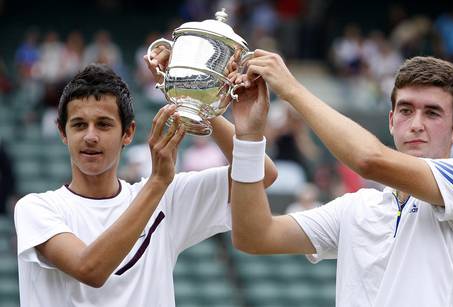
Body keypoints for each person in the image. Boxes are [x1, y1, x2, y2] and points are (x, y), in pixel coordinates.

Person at [229, 50, 453, 306]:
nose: (416, 123)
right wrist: (247, 135)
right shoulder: (356, 206)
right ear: (392, 121)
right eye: (406, 110)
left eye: (432, 113)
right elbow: (254, 235)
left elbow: (368, 160)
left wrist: (291, 90)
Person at [14, 58, 277, 306]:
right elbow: (90, 269)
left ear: (128, 133)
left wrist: (198, 103)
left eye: (104, 124)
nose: (90, 136)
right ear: (63, 132)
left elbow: (261, 173)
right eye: (79, 125)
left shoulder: (167, 198)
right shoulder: (36, 208)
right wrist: (158, 182)